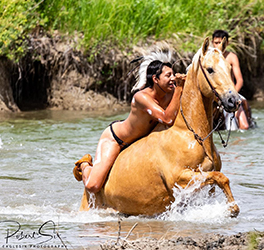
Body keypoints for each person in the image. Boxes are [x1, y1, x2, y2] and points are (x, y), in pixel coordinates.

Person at [73, 60, 186, 193]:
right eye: (168, 75)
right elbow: (167, 119)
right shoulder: (141, 97)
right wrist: (179, 88)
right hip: (117, 139)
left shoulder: (170, 94)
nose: (173, 78)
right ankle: (84, 165)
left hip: (139, 143)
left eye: (173, 74)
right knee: (93, 186)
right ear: (155, 79)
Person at [212, 30, 254, 130]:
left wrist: (232, 95)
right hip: (214, 94)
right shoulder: (210, 58)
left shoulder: (231, 57)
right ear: (212, 43)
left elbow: (239, 80)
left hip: (230, 93)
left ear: (227, 43)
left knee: (245, 126)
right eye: (216, 43)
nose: (219, 45)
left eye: (221, 42)